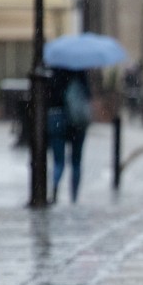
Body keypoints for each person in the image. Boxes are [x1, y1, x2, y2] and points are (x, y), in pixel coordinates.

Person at [47, 67, 93, 203]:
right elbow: (87, 94)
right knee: (76, 161)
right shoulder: (80, 71)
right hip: (77, 120)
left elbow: (48, 95)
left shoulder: (55, 70)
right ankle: (74, 196)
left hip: (56, 117)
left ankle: (55, 188)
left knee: (58, 161)